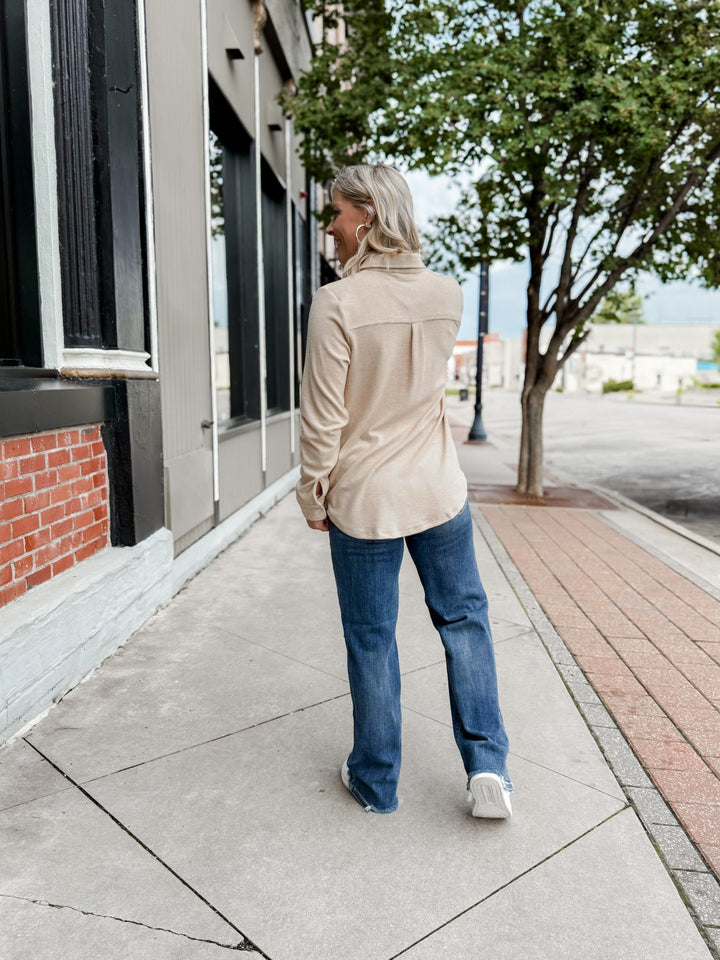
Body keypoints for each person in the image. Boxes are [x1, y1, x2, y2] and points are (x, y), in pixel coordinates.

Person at [296, 163, 512, 818]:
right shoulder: (445, 294)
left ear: (365, 215)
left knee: (372, 636)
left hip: (366, 498)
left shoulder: (338, 303)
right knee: (465, 621)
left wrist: (314, 495)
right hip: (440, 490)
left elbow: (324, 420)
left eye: (335, 212)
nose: (329, 226)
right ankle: (487, 767)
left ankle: (376, 780)